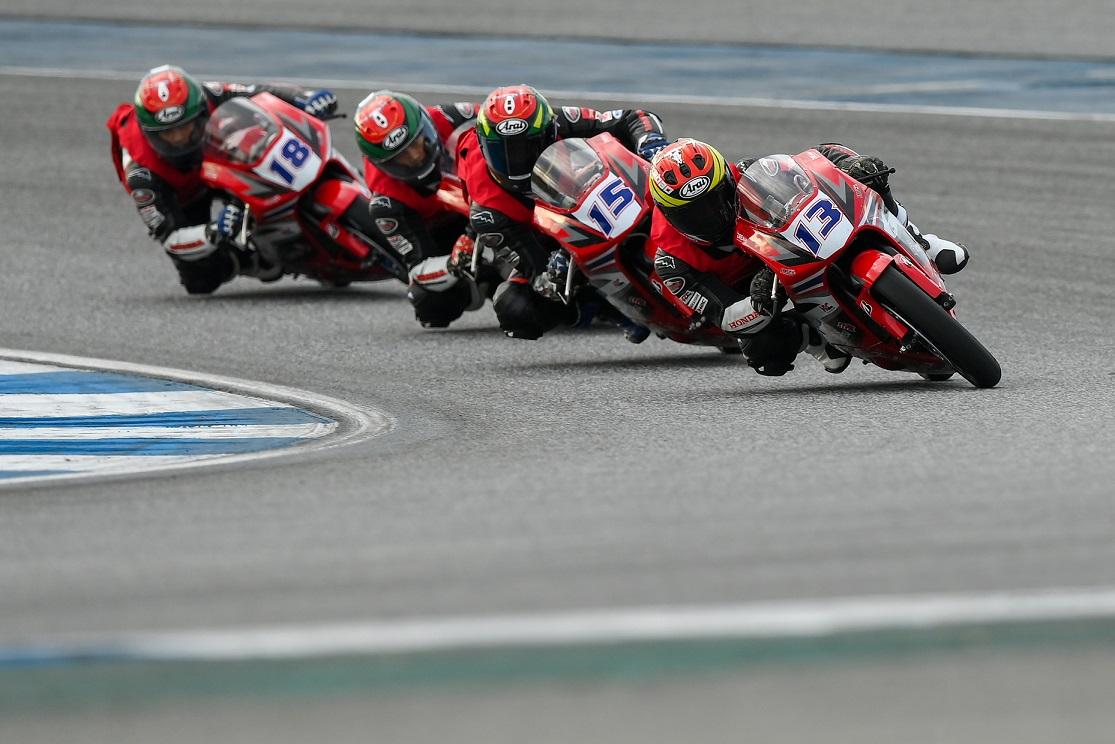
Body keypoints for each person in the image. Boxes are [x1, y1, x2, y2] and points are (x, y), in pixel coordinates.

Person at [648, 138, 970, 375]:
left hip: (790, 246)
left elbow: (814, 161)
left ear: (727, 179)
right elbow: (725, 316)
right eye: (694, 214)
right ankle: (815, 339)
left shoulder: (748, 173)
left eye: (717, 199)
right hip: (759, 290)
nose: (713, 216)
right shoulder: (672, 263)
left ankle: (918, 240)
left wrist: (849, 165)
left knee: (866, 174)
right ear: (668, 214)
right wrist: (757, 303)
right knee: (763, 351)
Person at [456, 83, 669, 339]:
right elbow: (537, 272)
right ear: (484, 146)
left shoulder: (557, 119)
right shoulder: (488, 212)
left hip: (584, 185)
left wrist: (652, 143)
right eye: (504, 152)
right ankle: (607, 311)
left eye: (527, 148)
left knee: (665, 167)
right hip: (538, 230)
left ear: (549, 131)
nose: (517, 162)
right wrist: (554, 269)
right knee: (517, 307)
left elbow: (635, 117)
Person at [107, 64, 338, 294]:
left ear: (198, 111)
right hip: (183, 193)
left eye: (185, 127)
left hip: (217, 156)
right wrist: (214, 231)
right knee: (199, 280)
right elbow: (170, 238)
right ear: (149, 132)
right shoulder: (141, 174)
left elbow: (257, 92)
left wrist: (304, 98)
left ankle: (326, 178)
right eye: (168, 133)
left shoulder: (204, 95)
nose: (179, 139)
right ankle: (252, 260)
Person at [354, 91, 493, 328]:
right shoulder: (385, 200)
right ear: (383, 164)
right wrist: (454, 263)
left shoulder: (445, 116)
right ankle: (489, 279)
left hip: (486, 194)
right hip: (443, 229)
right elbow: (418, 269)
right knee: (428, 302)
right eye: (401, 157)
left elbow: (502, 118)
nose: (416, 157)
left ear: (426, 124)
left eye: (416, 143)